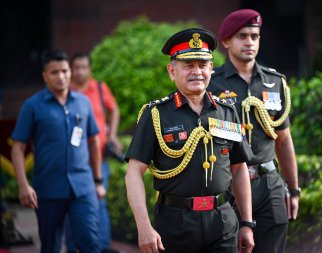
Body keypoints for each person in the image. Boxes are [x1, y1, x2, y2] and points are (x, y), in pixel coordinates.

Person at [125, 28, 256, 253]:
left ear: (211, 69)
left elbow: (239, 168)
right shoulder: (156, 114)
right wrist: (144, 228)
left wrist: (246, 223)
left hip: (223, 221)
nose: (197, 72)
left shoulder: (227, 111)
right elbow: (133, 173)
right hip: (176, 224)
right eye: (188, 65)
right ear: (172, 71)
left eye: (203, 65)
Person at [208, 9, 300, 253]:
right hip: (229, 184)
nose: (249, 42)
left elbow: (284, 141)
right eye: (242, 36)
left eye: (254, 36)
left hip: (269, 183)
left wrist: (293, 189)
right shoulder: (211, 83)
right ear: (226, 41)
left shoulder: (274, 81)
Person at [11, 49, 105, 253]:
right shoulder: (32, 106)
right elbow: (17, 148)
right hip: (48, 188)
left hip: (83, 187)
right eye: (54, 72)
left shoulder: (83, 102)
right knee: (51, 246)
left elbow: (93, 143)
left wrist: (97, 181)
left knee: (90, 243)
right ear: (45, 76)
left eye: (64, 71)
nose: (60, 76)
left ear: (70, 72)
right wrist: (23, 185)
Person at [64, 52, 122, 253]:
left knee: (99, 203)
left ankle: (103, 246)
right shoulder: (64, 91)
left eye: (83, 67)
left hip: (99, 159)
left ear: (90, 69)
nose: (80, 71)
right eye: (76, 67)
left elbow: (114, 109)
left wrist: (112, 135)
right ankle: (72, 248)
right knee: (70, 206)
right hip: (73, 162)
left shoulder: (98, 88)